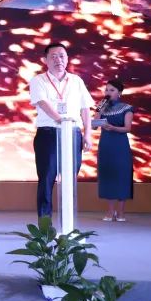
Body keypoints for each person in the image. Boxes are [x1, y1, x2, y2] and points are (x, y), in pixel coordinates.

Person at [28, 42, 93, 219]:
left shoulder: (76, 81)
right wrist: (60, 120)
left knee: (70, 178)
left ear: (67, 59)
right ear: (45, 60)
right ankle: (45, 223)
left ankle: (68, 221)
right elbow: (42, 103)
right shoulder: (38, 80)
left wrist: (87, 134)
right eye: (54, 56)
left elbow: (85, 108)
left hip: (72, 133)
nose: (59, 60)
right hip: (48, 133)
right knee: (46, 178)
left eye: (62, 56)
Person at [95, 78, 133, 222]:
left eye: (112, 90)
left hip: (120, 145)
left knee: (122, 176)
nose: (108, 92)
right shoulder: (102, 106)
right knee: (108, 175)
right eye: (106, 90)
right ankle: (110, 211)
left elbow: (127, 128)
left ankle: (121, 212)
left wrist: (113, 128)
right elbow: (94, 125)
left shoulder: (126, 108)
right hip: (105, 145)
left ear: (119, 92)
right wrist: (99, 110)